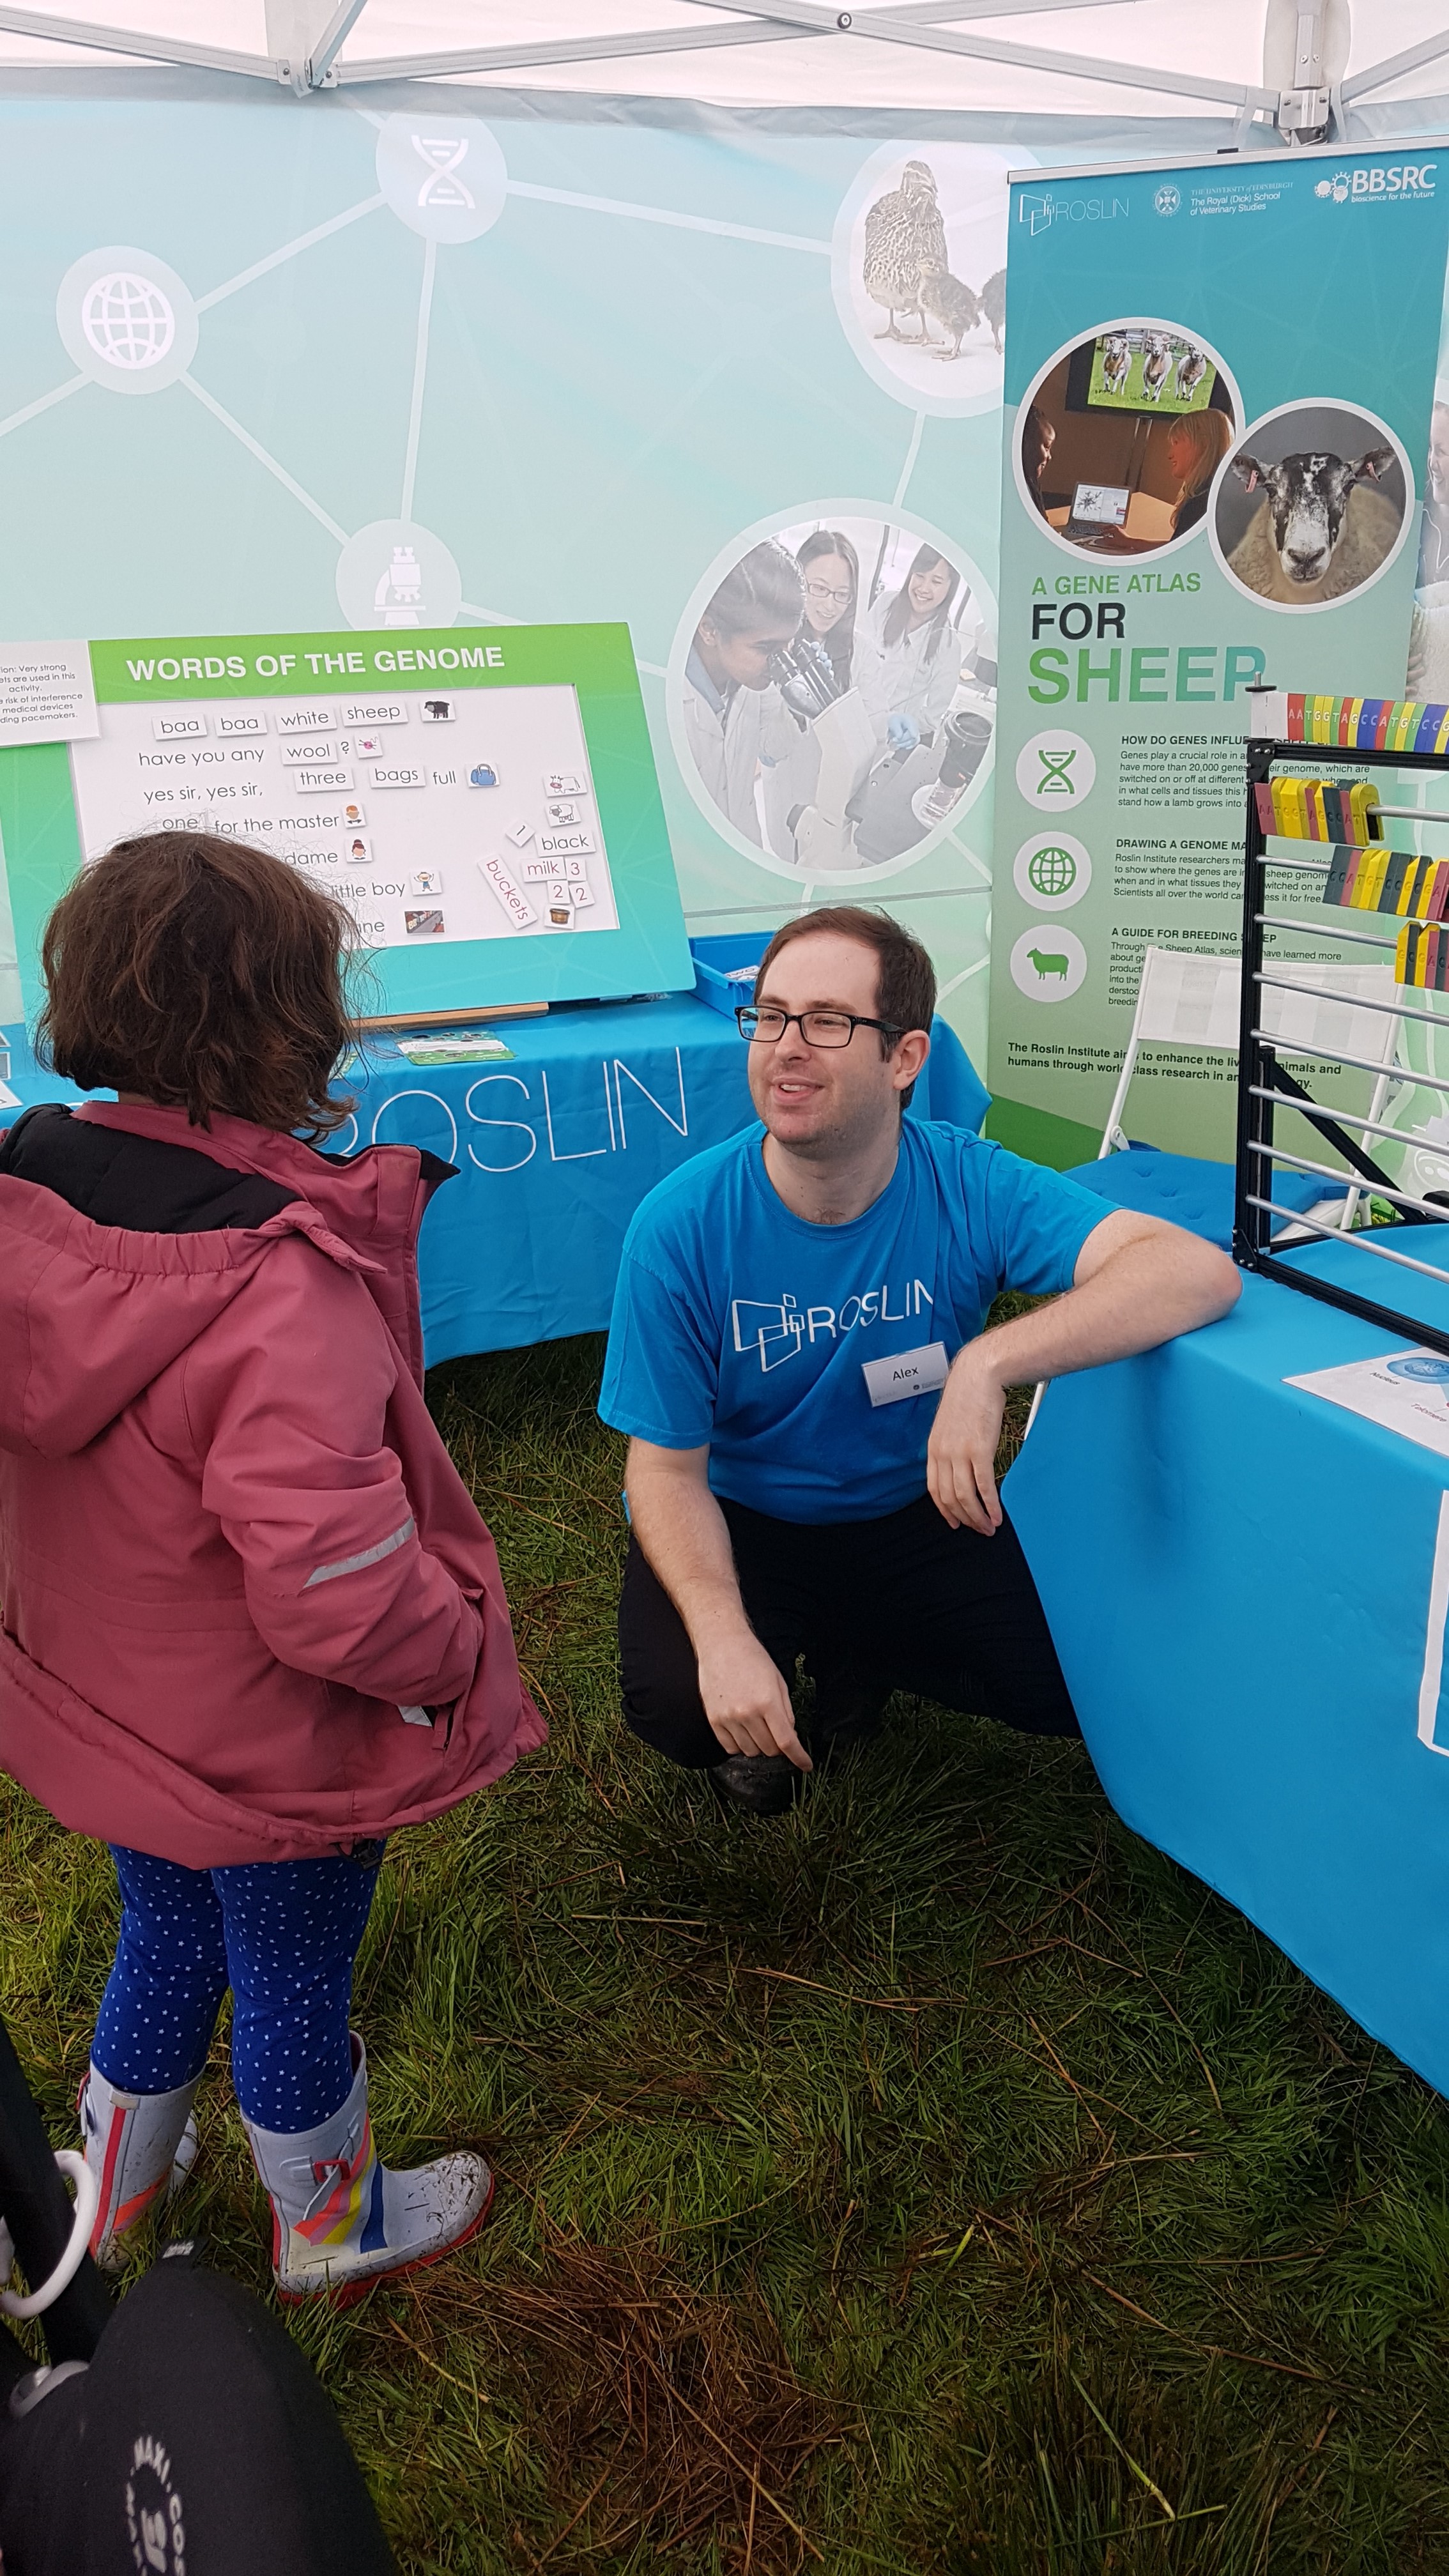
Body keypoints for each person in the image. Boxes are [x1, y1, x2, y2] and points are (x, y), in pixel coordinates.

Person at [0, 832, 544, 2296]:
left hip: (110, 1708)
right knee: (291, 1965)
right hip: (270, 1741)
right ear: (292, 1018)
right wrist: (450, 1655)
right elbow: (335, 1586)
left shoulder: (26, 1204)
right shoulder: (274, 1282)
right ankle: (330, 2222)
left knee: (165, 1922)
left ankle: (104, 2201)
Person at [598, 907, 1239, 1816]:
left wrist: (988, 1364)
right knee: (681, 1706)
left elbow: (1191, 1271)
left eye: (826, 1022)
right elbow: (662, 1471)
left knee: (1066, 1694)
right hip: (745, 1519)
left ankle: (861, 1650)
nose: (785, 1047)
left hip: (917, 1511)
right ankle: (787, 1660)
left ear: (904, 1058)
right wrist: (725, 1634)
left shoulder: (968, 1181)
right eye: (770, 1016)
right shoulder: (681, 1227)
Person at [682, 541, 802, 846]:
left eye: (787, 644)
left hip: (744, 843)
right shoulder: (671, 700)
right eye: (765, 648)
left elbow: (777, 750)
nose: (779, 661)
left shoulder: (752, 680)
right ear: (709, 630)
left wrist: (795, 698)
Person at [764, 530, 863, 864]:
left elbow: (874, 720)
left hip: (840, 801)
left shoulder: (859, 649)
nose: (828, 604)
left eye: (841, 594)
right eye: (818, 588)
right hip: (790, 793)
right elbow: (770, 747)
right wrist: (798, 710)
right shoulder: (772, 645)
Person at [858, 545, 963, 755]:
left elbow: (933, 716)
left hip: (893, 746)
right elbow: (856, 660)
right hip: (856, 721)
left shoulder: (949, 644)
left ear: (950, 588)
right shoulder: (886, 604)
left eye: (936, 582)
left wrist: (903, 729)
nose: (924, 588)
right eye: (919, 576)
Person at [1160, 409, 1234, 537]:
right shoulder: (1214, 494)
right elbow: (1179, 547)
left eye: (1176, 442)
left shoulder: (1200, 504)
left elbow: (1178, 556)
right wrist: (1131, 543)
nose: (1169, 455)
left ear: (1203, 444)